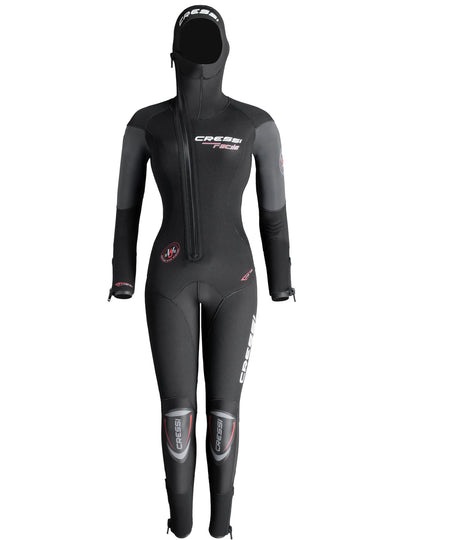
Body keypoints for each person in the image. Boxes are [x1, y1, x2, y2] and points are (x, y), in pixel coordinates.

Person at [109, 5, 295, 538]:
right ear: (173, 56)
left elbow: (274, 214)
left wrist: (281, 279)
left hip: (236, 283)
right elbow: (126, 209)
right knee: (177, 416)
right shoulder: (144, 124)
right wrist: (121, 274)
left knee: (223, 417)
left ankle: (221, 526)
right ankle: (181, 525)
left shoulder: (256, 125)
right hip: (167, 283)